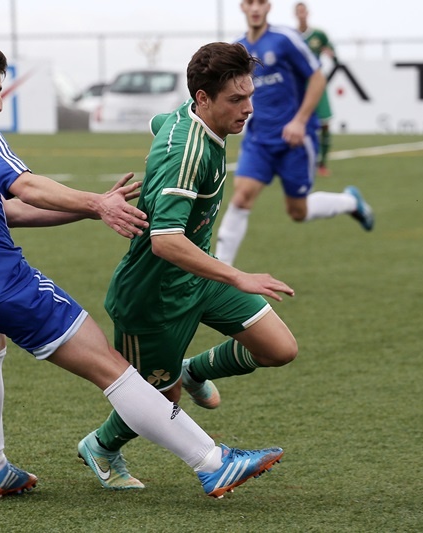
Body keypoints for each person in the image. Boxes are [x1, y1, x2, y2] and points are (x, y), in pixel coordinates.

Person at [0, 43, 283, 500]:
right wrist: (95, 202)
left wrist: (93, 210)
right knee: (115, 370)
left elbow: (10, 212)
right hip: (0, 283)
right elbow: (24, 187)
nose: (0, 103)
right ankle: (213, 462)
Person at [77, 41, 295, 494]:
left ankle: (192, 370)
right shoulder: (187, 154)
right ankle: (100, 446)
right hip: (152, 298)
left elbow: (163, 124)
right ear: (203, 99)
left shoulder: (184, 118)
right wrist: (238, 274)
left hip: (198, 275)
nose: (248, 108)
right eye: (236, 100)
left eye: (249, 95)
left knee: (279, 348)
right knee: (158, 400)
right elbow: (165, 242)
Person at [215, 0, 374, 267]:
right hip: (258, 139)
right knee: (241, 197)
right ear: (242, 7)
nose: (255, 8)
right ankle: (219, 272)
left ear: (269, 7)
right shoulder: (238, 47)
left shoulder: (285, 39)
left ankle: (351, 202)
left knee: (297, 211)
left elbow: (317, 78)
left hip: (294, 139)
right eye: (250, 3)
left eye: (261, 3)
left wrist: (299, 121)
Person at [295, 1, 336, 176]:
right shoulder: (292, 35)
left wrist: (330, 52)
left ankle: (322, 163)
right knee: (299, 123)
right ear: (296, 14)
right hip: (299, 86)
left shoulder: (319, 35)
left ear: (307, 13)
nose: (301, 14)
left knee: (325, 123)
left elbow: (331, 51)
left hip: (317, 84)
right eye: (298, 12)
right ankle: (301, 162)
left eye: (303, 11)